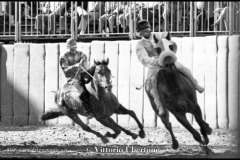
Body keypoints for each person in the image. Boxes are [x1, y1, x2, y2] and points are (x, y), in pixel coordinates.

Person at [135, 20, 204, 116]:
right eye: (142, 31)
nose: (145, 32)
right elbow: (143, 58)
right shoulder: (140, 45)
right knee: (152, 82)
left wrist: (168, 44)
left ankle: (195, 85)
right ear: (140, 33)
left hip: (167, 59)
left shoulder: (158, 35)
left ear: (149, 29)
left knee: (184, 69)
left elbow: (168, 39)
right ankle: (160, 106)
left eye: (146, 30)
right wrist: (154, 60)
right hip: (154, 66)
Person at [59, 38, 93, 114]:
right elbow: (66, 70)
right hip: (72, 79)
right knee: (82, 91)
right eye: (72, 47)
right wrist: (76, 66)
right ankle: (87, 109)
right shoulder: (63, 57)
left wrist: (84, 60)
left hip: (83, 75)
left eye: (75, 47)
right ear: (68, 47)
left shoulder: (81, 54)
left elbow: (86, 66)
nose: (74, 48)